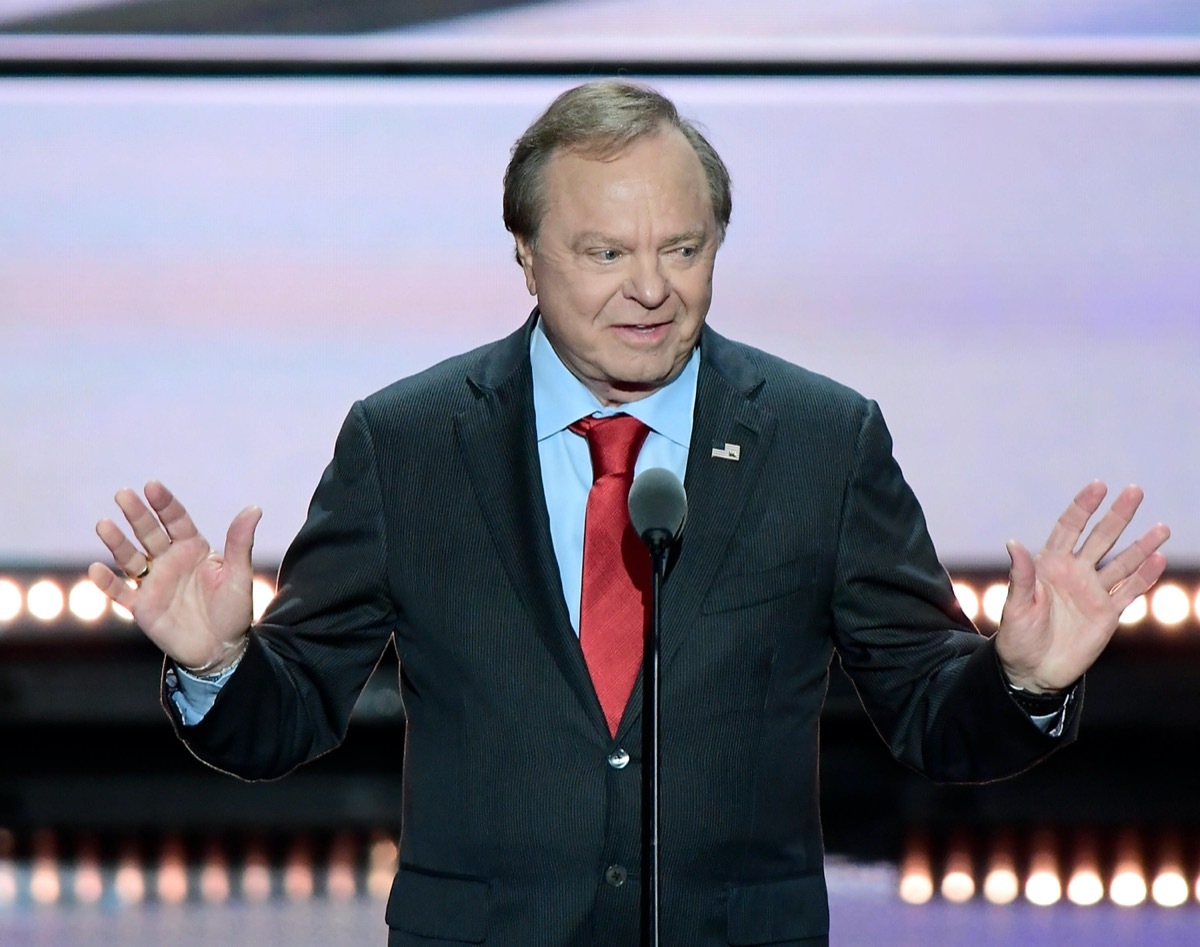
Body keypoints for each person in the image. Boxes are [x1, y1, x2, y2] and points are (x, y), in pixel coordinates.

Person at [90, 78, 1170, 946]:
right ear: (525, 252)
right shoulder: (407, 443)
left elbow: (931, 715)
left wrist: (1021, 679)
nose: (651, 290)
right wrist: (220, 666)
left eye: (684, 249)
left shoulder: (822, 439)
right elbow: (289, 718)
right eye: (607, 252)